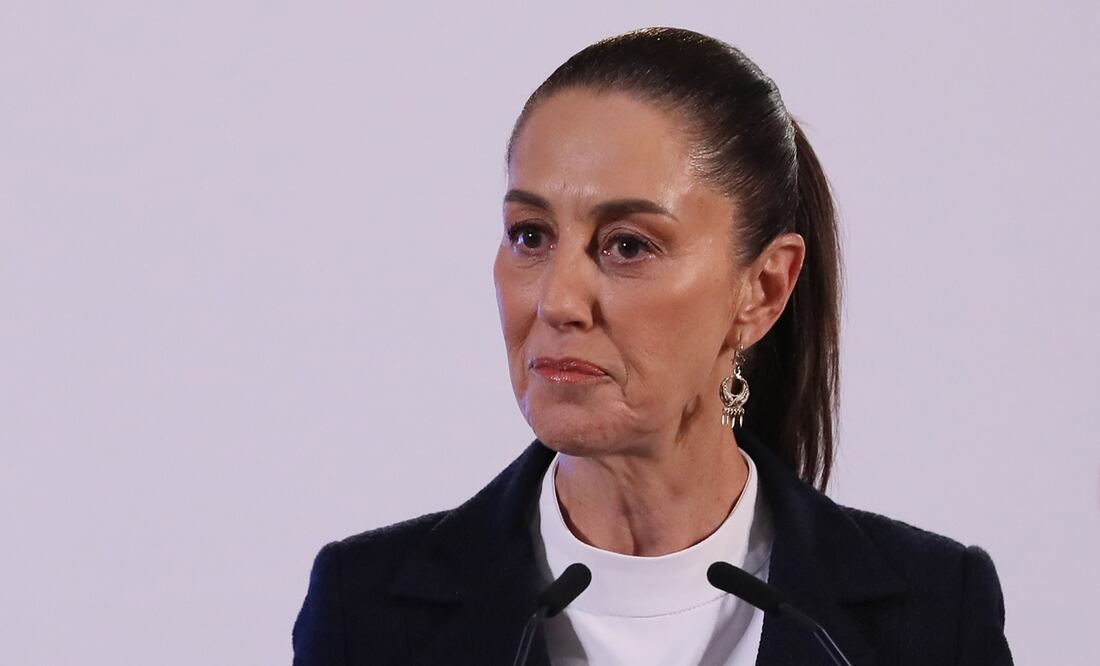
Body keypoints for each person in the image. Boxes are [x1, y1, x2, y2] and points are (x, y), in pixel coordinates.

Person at [291, 27, 1013, 665]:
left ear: (762, 290)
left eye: (628, 245)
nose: (557, 301)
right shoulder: (367, 614)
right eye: (530, 236)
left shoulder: (932, 615)